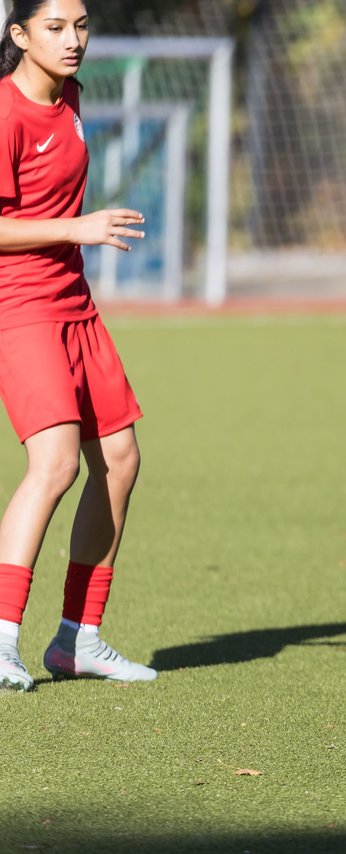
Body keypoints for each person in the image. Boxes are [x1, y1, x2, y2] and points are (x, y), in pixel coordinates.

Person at [0, 0, 157, 691]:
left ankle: (77, 640)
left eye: (81, 25)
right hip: (17, 304)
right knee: (56, 463)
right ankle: (2, 638)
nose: (73, 40)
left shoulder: (73, 97)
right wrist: (76, 228)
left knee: (120, 460)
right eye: (56, 27)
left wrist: (76, 234)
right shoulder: (4, 112)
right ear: (19, 35)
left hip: (74, 304)